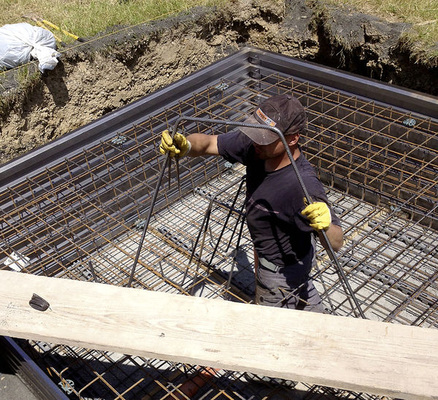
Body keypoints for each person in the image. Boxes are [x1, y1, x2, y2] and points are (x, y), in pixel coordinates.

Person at [160, 94, 343, 313]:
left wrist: (325, 224)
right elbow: (209, 143)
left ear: (292, 139)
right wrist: (187, 145)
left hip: (280, 274)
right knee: (308, 309)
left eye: (264, 138)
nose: (256, 141)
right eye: (257, 133)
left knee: (271, 329)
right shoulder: (256, 147)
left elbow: (336, 243)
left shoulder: (301, 185)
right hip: (275, 255)